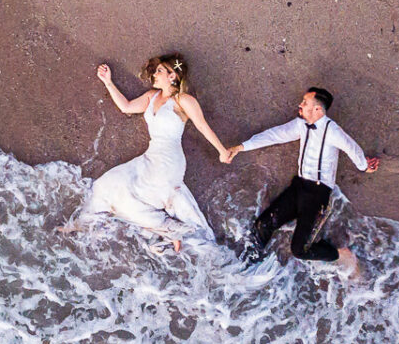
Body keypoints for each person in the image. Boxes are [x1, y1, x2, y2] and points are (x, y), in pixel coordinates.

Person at [222, 86, 380, 279]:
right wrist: (240, 147)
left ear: (317, 110)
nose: (300, 105)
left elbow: (351, 147)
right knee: (262, 225)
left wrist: (364, 166)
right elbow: (274, 135)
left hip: (318, 195)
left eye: (305, 102)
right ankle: (249, 268)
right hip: (299, 187)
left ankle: (339, 254)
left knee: (300, 249)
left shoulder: (333, 131)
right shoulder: (300, 125)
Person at [75, 54, 229, 249]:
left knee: (138, 196)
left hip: (168, 161)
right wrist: (108, 82)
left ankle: (168, 229)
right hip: (150, 156)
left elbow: (203, 126)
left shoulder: (184, 100)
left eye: (160, 71)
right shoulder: (152, 96)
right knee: (107, 184)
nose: (154, 74)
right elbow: (127, 107)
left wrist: (222, 151)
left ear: (172, 76)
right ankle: (83, 224)